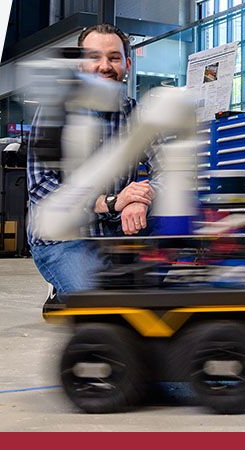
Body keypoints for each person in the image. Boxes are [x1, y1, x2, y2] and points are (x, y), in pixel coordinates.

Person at [27, 24, 155, 311]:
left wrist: (143, 199)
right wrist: (110, 202)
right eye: (94, 56)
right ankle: (64, 284)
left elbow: (167, 172)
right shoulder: (53, 112)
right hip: (65, 237)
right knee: (102, 307)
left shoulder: (139, 115)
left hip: (122, 232)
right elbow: (41, 187)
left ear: (127, 64)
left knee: (163, 297)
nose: (104, 66)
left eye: (114, 57)